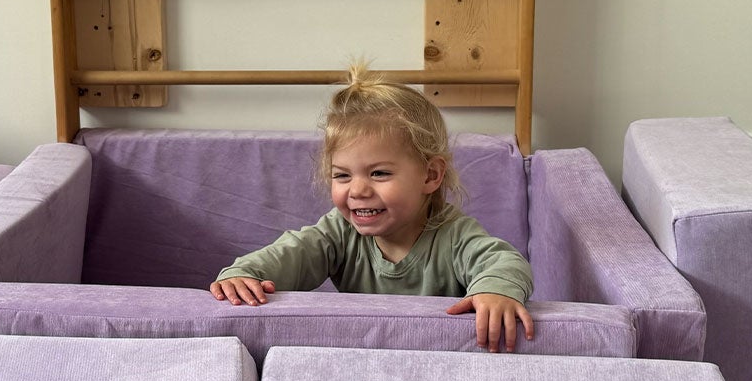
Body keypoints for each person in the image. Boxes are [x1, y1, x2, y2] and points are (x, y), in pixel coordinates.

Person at [209, 64, 536, 352]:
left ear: (430, 175)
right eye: (342, 175)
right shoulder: (339, 232)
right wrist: (245, 274)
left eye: (379, 173)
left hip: (438, 359)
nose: (358, 190)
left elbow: (505, 262)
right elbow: (292, 253)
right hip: (362, 359)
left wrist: (495, 291)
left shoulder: (453, 235)